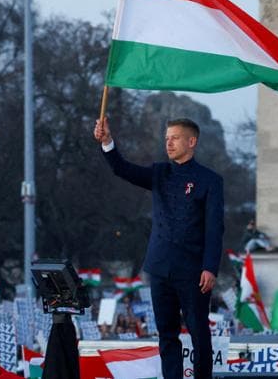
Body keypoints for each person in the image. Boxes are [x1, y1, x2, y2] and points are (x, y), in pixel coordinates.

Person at [94, 117, 224, 379]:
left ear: (192, 141)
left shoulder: (210, 180)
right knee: (166, 334)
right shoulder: (160, 173)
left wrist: (210, 267)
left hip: (193, 271)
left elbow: (214, 228)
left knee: (199, 333)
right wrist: (107, 142)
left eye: (175, 137)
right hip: (160, 267)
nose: (169, 142)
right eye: (166, 138)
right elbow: (122, 169)